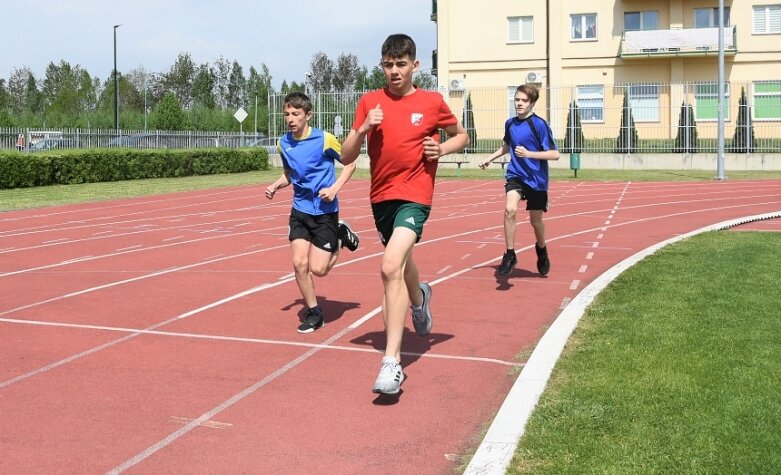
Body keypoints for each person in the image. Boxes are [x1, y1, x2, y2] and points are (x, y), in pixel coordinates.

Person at [341, 33, 470, 395]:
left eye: (401, 64)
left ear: (415, 65)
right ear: (381, 66)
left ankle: (391, 363)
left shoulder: (431, 102)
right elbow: (347, 156)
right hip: (381, 198)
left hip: (415, 194)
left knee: (389, 265)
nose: (394, 71)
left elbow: (462, 135)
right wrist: (364, 128)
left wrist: (440, 148)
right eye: (388, 64)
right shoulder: (369, 102)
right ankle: (420, 298)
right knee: (402, 263)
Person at [265, 91, 360, 334]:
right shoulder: (283, 143)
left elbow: (350, 162)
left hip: (325, 213)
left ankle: (341, 235)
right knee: (299, 264)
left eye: (295, 114)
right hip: (299, 211)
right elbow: (289, 174)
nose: (290, 119)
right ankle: (315, 312)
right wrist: (276, 185)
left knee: (319, 270)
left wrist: (335, 188)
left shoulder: (324, 139)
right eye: (287, 114)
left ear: (308, 115)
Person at [479, 84, 559, 276]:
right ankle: (510, 254)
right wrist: (490, 158)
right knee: (510, 209)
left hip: (536, 179)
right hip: (515, 175)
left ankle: (541, 250)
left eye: (524, 100)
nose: (519, 104)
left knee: (535, 221)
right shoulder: (510, 123)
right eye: (517, 99)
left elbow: (554, 154)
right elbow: (508, 145)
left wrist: (529, 153)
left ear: (532, 103)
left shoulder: (539, 124)